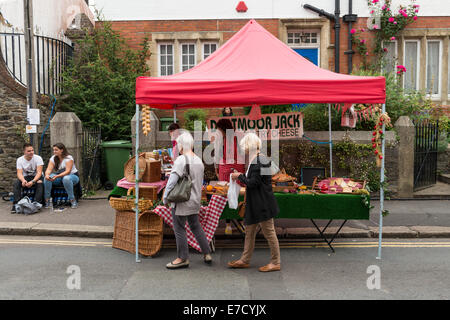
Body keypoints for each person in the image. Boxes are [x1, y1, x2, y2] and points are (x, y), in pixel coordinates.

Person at [228, 133, 281, 272]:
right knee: (249, 232)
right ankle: (244, 260)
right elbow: (254, 181)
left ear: (249, 146)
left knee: (269, 232)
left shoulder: (260, 160)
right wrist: (240, 176)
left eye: (244, 146)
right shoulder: (257, 159)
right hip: (257, 203)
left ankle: (275, 262)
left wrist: (239, 176)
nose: (243, 149)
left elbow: (253, 183)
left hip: (262, 204)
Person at [163, 131, 212, 269]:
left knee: (179, 228)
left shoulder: (181, 160)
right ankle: (207, 253)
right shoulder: (199, 160)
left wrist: (165, 197)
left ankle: (182, 258)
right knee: (196, 226)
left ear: (181, 145)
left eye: (178, 144)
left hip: (182, 200)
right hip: (195, 200)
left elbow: (172, 182)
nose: (177, 147)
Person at [215, 118, 245, 235]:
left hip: (227, 169)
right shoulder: (239, 135)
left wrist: (216, 169)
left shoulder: (221, 138)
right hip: (238, 168)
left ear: (222, 128)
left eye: (219, 129)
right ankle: (239, 221)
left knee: (227, 194)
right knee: (238, 194)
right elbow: (244, 152)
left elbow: (217, 155)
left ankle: (229, 224)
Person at [43, 143, 80, 209]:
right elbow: (49, 169)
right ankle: (47, 200)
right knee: (47, 178)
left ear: (62, 150)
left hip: (72, 176)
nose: (54, 151)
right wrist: (47, 175)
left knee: (66, 178)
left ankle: (73, 200)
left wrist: (56, 176)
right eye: (53, 150)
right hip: (60, 177)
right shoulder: (53, 158)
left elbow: (67, 171)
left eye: (56, 150)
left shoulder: (69, 158)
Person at [12, 143, 44, 212]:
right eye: (29, 151)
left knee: (39, 182)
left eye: (32, 150)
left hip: (36, 176)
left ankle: (36, 203)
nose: (31, 152)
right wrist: (23, 180)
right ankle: (16, 204)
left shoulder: (38, 158)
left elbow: (39, 173)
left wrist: (33, 181)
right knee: (16, 183)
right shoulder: (19, 160)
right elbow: (19, 173)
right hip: (26, 177)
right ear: (24, 152)